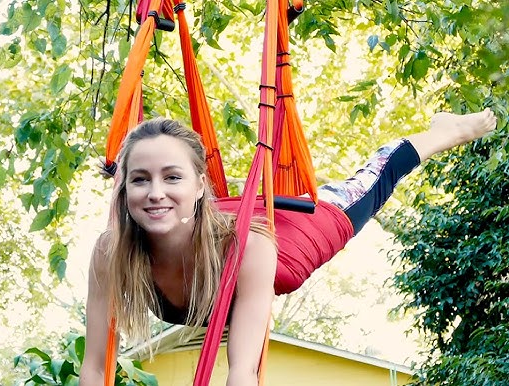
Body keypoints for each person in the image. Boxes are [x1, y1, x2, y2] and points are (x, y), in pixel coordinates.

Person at [79, 109, 498, 386]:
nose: (154, 193)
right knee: (195, 211)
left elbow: (243, 370)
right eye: (139, 179)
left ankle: (446, 130)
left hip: (293, 234)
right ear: (125, 187)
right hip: (217, 220)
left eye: (172, 177)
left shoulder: (248, 248)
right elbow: (94, 368)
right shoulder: (111, 251)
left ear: (200, 185)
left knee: (373, 179)